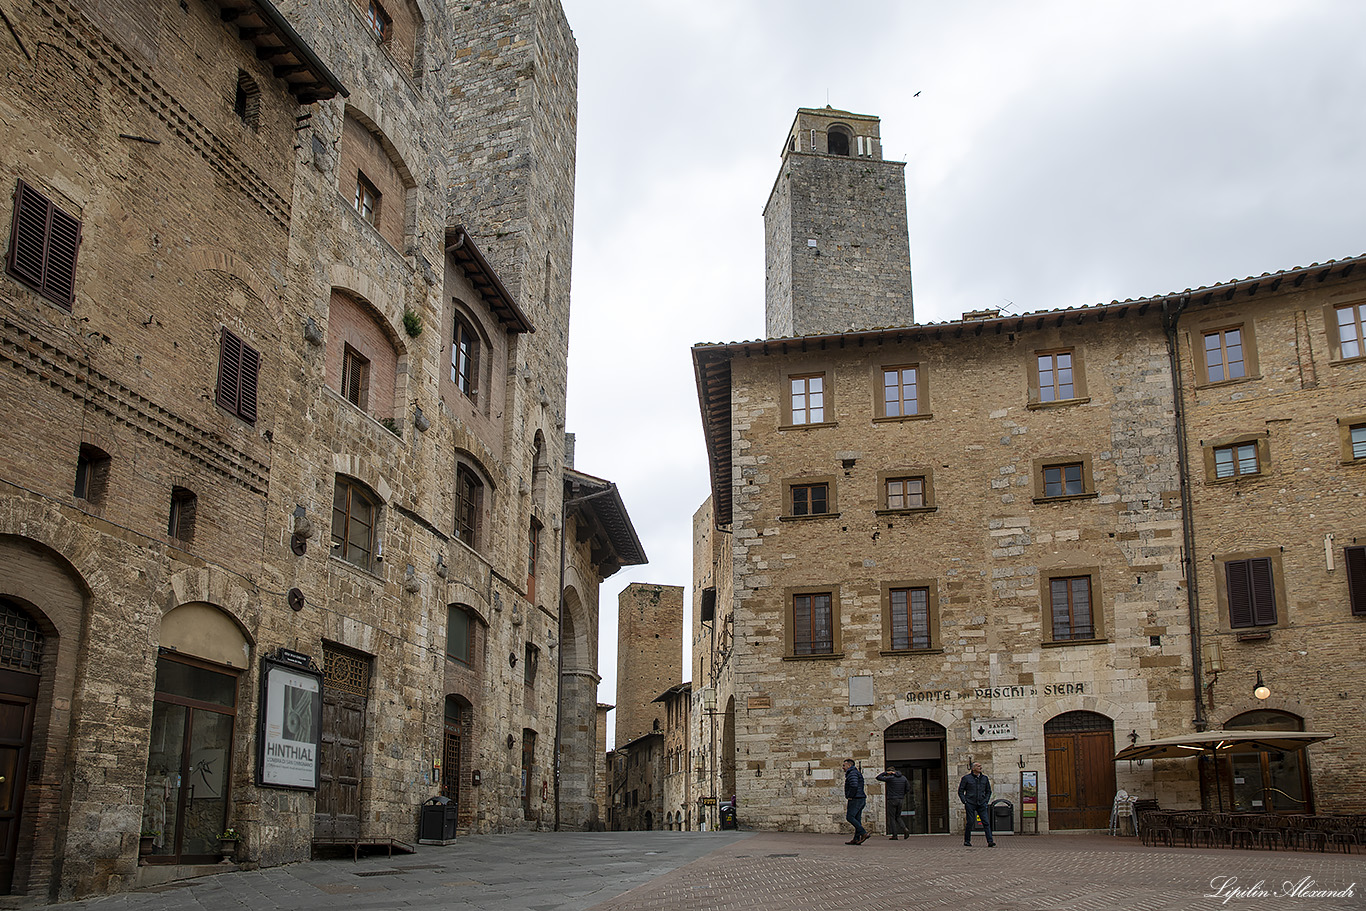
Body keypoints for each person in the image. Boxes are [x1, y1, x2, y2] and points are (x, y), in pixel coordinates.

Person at [957, 761, 995, 847]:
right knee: (970, 822)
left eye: (980, 766)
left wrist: (986, 800)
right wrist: (965, 801)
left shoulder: (984, 778)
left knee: (986, 822)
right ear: (973, 768)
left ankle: (990, 841)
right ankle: (967, 841)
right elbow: (961, 791)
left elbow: (988, 791)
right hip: (970, 803)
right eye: (978, 766)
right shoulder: (966, 778)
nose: (980, 767)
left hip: (981, 803)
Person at [875, 766, 912, 839]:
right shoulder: (903, 778)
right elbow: (908, 788)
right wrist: (902, 794)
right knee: (898, 816)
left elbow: (878, 777)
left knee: (892, 817)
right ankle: (904, 828)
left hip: (892, 799)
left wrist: (885, 773)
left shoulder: (890, 778)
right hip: (900, 799)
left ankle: (895, 835)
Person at [842, 759, 868, 844]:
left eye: (844, 765)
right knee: (857, 818)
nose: (843, 768)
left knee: (850, 817)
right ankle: (856, 838)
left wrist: (850, 795)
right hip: (860, 798)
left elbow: (854, 785)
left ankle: (863, 833)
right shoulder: (855, 773)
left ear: (849, 766)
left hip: (856, 799)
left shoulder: (852, 773)